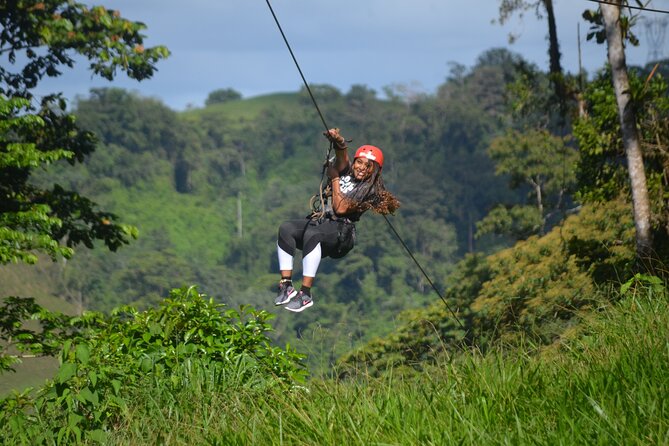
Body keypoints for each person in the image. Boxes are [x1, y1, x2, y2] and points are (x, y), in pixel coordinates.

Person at [275, 128, 400, 312]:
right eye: (360, 163)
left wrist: (334, 178)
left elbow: (341, 208)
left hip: (340, 234)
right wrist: (339, 141)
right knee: (286, 228)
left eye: (368, 166)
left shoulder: (370, 190)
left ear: (374, 171)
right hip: (323, 223)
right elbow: (342, 157)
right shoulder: (347, 171)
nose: (362, 168)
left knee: (313, 233)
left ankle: (305, 294)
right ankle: (286, 285)